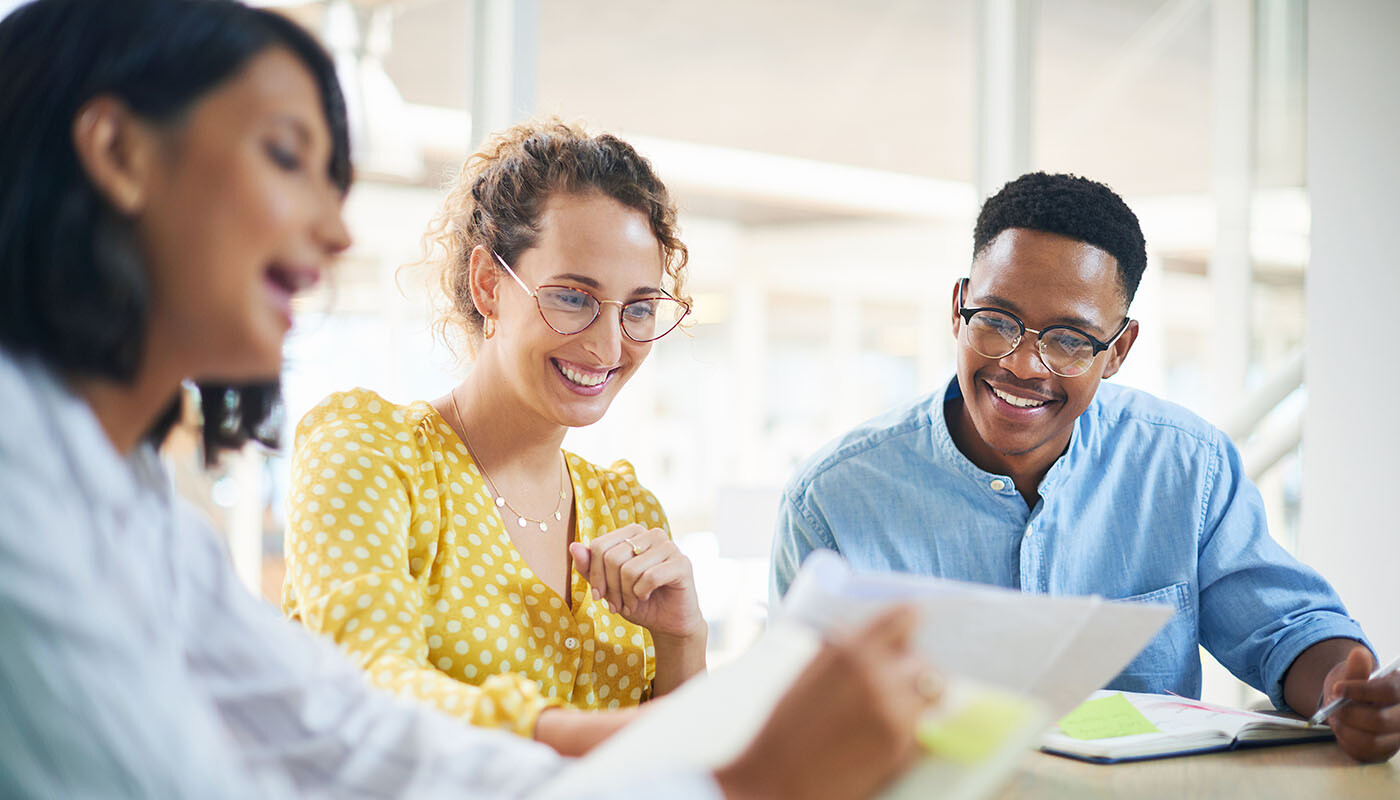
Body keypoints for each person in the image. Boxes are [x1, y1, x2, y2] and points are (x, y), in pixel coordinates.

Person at [0, 0, 939, 797]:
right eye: (287, 158)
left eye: (640, 308)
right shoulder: (26, 477)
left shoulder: (122, 501)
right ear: (118, 152)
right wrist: (731, 769)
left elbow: (338, 730)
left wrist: (710, 739)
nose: (333, 232)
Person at [770, 171, 1400, 763]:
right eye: (996, 321)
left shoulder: (1187, 467)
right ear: (958, 308)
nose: (1022, 365)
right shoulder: (831, 499)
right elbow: (790, 723)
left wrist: (1353, 695)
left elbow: (1289, 627)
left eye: (1069, 339)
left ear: (1118, 350)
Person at [281, 121, 707, 755]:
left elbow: (681, 777)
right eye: (572, 297)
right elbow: (367, 686)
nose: (610, 345)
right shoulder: (372, 455)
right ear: (488, 284)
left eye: (639, 308)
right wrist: (594, 738)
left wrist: (683, 640)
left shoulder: (629, 513)